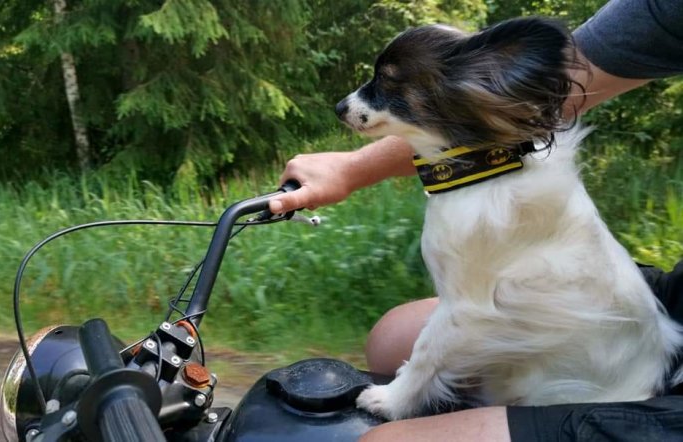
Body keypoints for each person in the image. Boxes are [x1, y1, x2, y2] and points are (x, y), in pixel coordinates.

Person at [270, 0, 683, 440]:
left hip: (631, 389)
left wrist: (405, 393)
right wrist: (352, 169)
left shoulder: (494, 208)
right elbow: (567, 75)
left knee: (385, 436)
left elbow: (469, 314)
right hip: (665, 320)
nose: (356, 101)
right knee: (391, 336)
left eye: (386, 84)